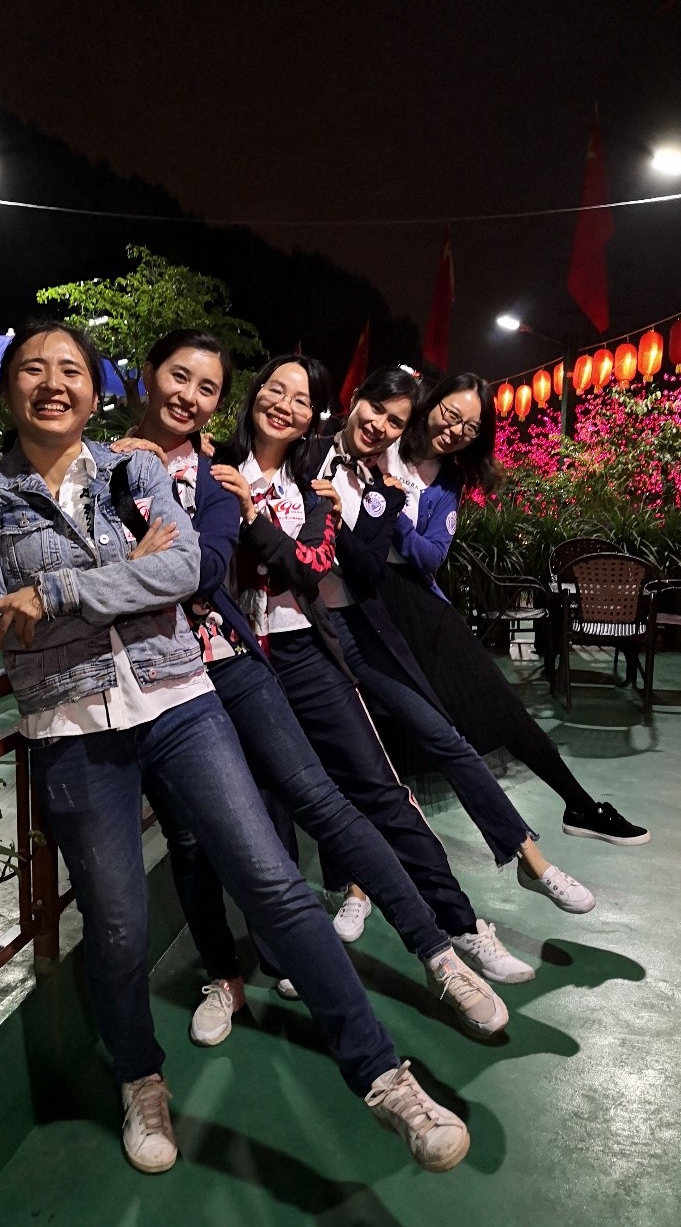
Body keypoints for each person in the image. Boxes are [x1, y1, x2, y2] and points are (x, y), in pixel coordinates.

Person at [0, 320, 473, 1176]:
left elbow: (183, 572)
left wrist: (52, 592)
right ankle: (139, 1077)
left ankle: (383, 1076)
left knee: (275, 884)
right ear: (8, 387)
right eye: (32, 369)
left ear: (95, 389)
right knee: (118, 927)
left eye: (70, 369)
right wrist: (115, 578)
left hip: (181, 700)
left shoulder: (135, 470)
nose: (52, 383)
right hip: (71, 728)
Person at [112, 330, 509, 1045]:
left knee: (340, 798)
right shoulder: (202, 464)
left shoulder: (307, 483)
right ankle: (241, 970)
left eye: (302, 400)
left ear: (315, 414)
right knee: (213, 832)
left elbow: (303, 565)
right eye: (276, 390)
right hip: (181, 666)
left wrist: (255, 519)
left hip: (274, 653)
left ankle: (444, 944)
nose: (286, 406)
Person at [211, 357, 591, 993]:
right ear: (354, 399)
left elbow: (362, 570)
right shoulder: (299, 455)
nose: (382, 426)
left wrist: (342, 518)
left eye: (395, 421)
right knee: (293, 793)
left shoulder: (385, 487)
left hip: (346, 635)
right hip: (261, 645)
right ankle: (313, 931)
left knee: (414, 758)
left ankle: (479, 906)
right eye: (377, 410)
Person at [378, 371, 649, 847]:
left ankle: (580, 805)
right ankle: (377, 859)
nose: (455, 431)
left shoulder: (448, 480)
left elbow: (429, 556)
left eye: (469, 428)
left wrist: (392, 509)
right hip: (368, 602)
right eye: (451, 415)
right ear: (431, 402)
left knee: (499, 704)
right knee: (383, 728)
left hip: (420, 606)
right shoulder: (385, 441)